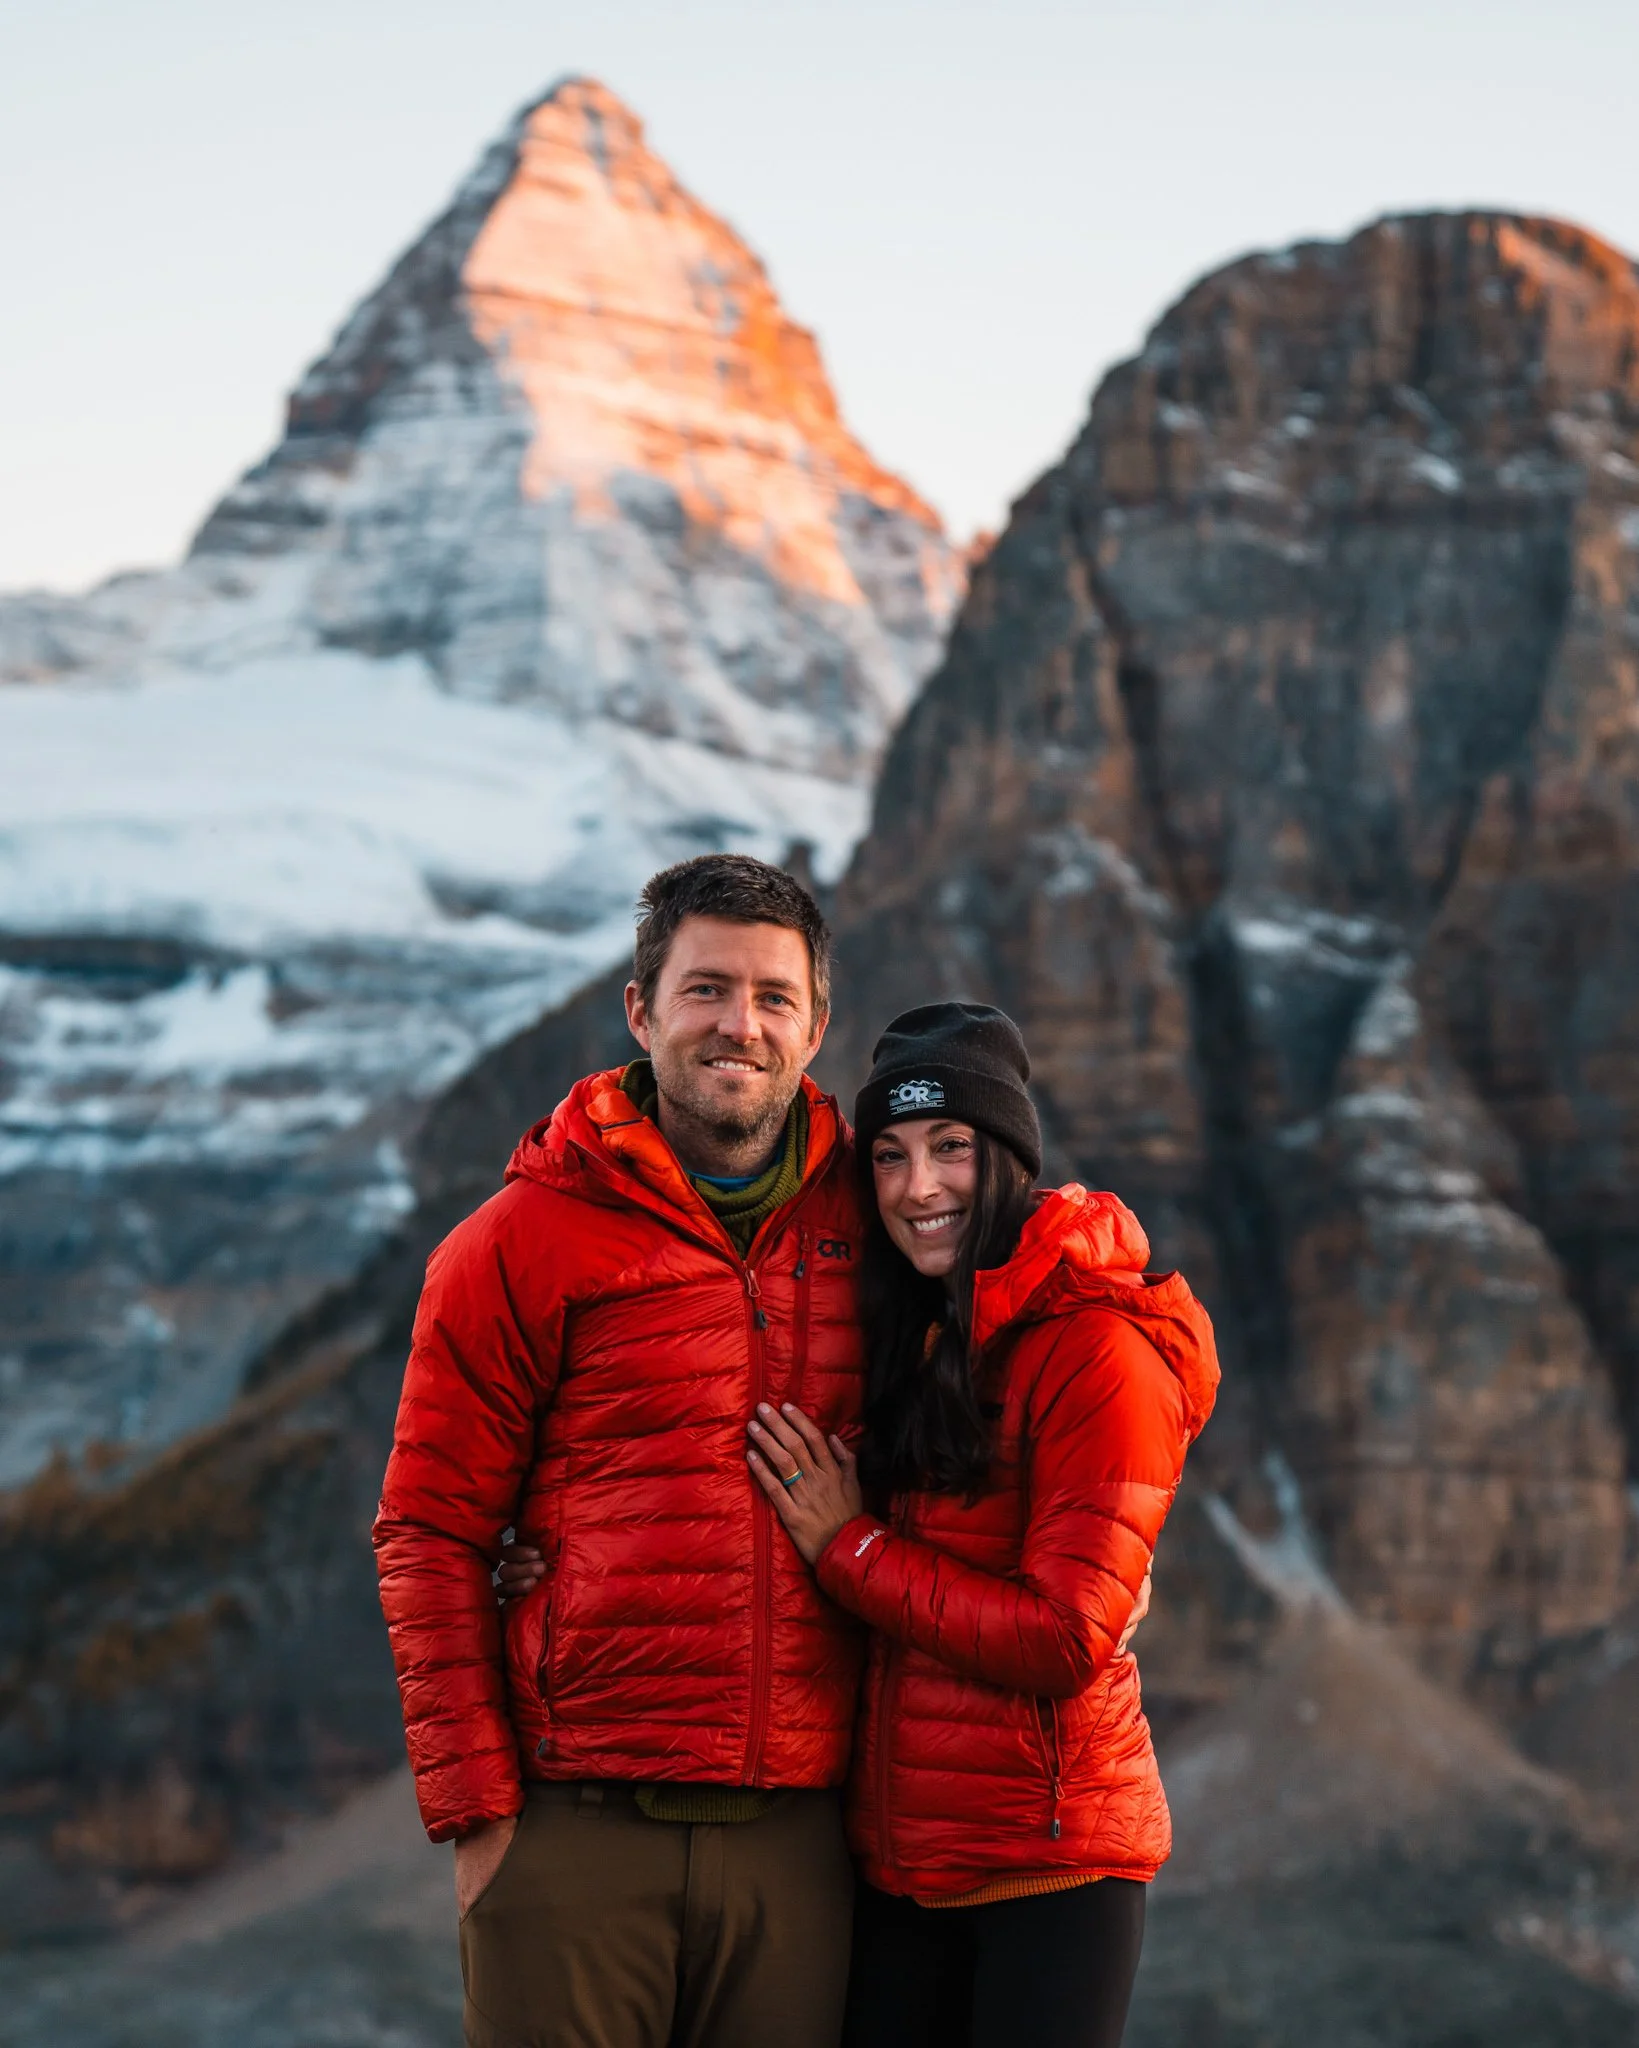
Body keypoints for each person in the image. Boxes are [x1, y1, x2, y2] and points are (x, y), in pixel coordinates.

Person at [373, 853, 868, 2048]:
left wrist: (1116, 1554)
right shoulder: (517, 1241)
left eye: (770, 996)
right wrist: (480, 1818)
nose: (737, 1025)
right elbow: (430, 1531)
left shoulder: (876, 1225)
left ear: (815, 1024)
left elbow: (1043, 1345)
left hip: (805, 1847)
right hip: (572, 1835)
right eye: (704, 989)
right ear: (641, 1010)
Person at [741, 1002, 1219, 2048]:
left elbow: (1062, 1635)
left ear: (1007, 1155)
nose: (920, 1188)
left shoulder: (1099, 1348)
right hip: (900, 1861)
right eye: (892, 1156)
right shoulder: (921, 1331)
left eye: (951, 1148)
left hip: (1046, 1870)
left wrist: (848, 1546)